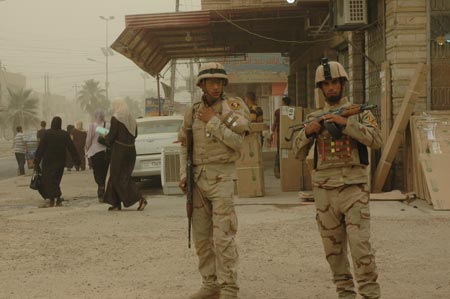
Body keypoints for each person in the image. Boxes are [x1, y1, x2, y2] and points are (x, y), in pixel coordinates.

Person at [293, 59, 382, 299]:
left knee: (360, 247)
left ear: (344, 84)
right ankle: (345, 294)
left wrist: (347, 124)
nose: (331, 88)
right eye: (326, 84)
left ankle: (370, 294)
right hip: (324, 192)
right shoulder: (313, 117)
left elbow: (377, 140)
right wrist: (309, 132)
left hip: (354, 188)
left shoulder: (359, 112)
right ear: (320, 89)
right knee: (333, 250)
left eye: (335, 83)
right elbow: (297, 153)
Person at [178, 62, 250, 299]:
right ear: (202, 85)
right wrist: (183, 175)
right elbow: (185, 146)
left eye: (219, 82)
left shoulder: (233, 108)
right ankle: (210, 284)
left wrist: (213, 120)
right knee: (201, 238)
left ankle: (229, 288)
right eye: (211, 82)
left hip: (222, 179)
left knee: (223, 238)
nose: (216, 87)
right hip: (198, 180)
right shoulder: (192, 111)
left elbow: (239, 142)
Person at [103, 98, 147, 211]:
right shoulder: (131, 119)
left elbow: (112, 136)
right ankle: (115, 202)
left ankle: (140, 198)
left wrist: (104, 138)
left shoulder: (116, 118)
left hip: (119, 151)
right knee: (119, 176)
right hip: (131, 150)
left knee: (118, 176)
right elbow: (135, 134)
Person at [34, 116, 81, 207]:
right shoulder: (64, 134)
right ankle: (56, 197)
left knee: (48, 180)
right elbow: (71, 148)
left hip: (48, 161)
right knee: (56, 179)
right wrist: (76, 160)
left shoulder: (47, 134)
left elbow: (41, 148)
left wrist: (36, 160)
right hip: (60, 161)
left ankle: (54, 197)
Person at [85, 109, 110, 201]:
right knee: (104, 172)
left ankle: (101, 188)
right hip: (105, 152)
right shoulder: (108, 125)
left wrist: (87, 149)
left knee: (97, 172)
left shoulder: (92, 126)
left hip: (95, 153)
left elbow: (88, 140)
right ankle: (102, 187)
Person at [270, 96, 291, 178]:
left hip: (280, 133)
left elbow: (275, 123)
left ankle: (277, 169)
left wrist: (272, 130)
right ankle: (286, 169)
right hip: (289, 134)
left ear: (283, 102)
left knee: (279, 151)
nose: (280, 103)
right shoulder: (291, 110)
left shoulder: (278, 111)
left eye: (281, 102)